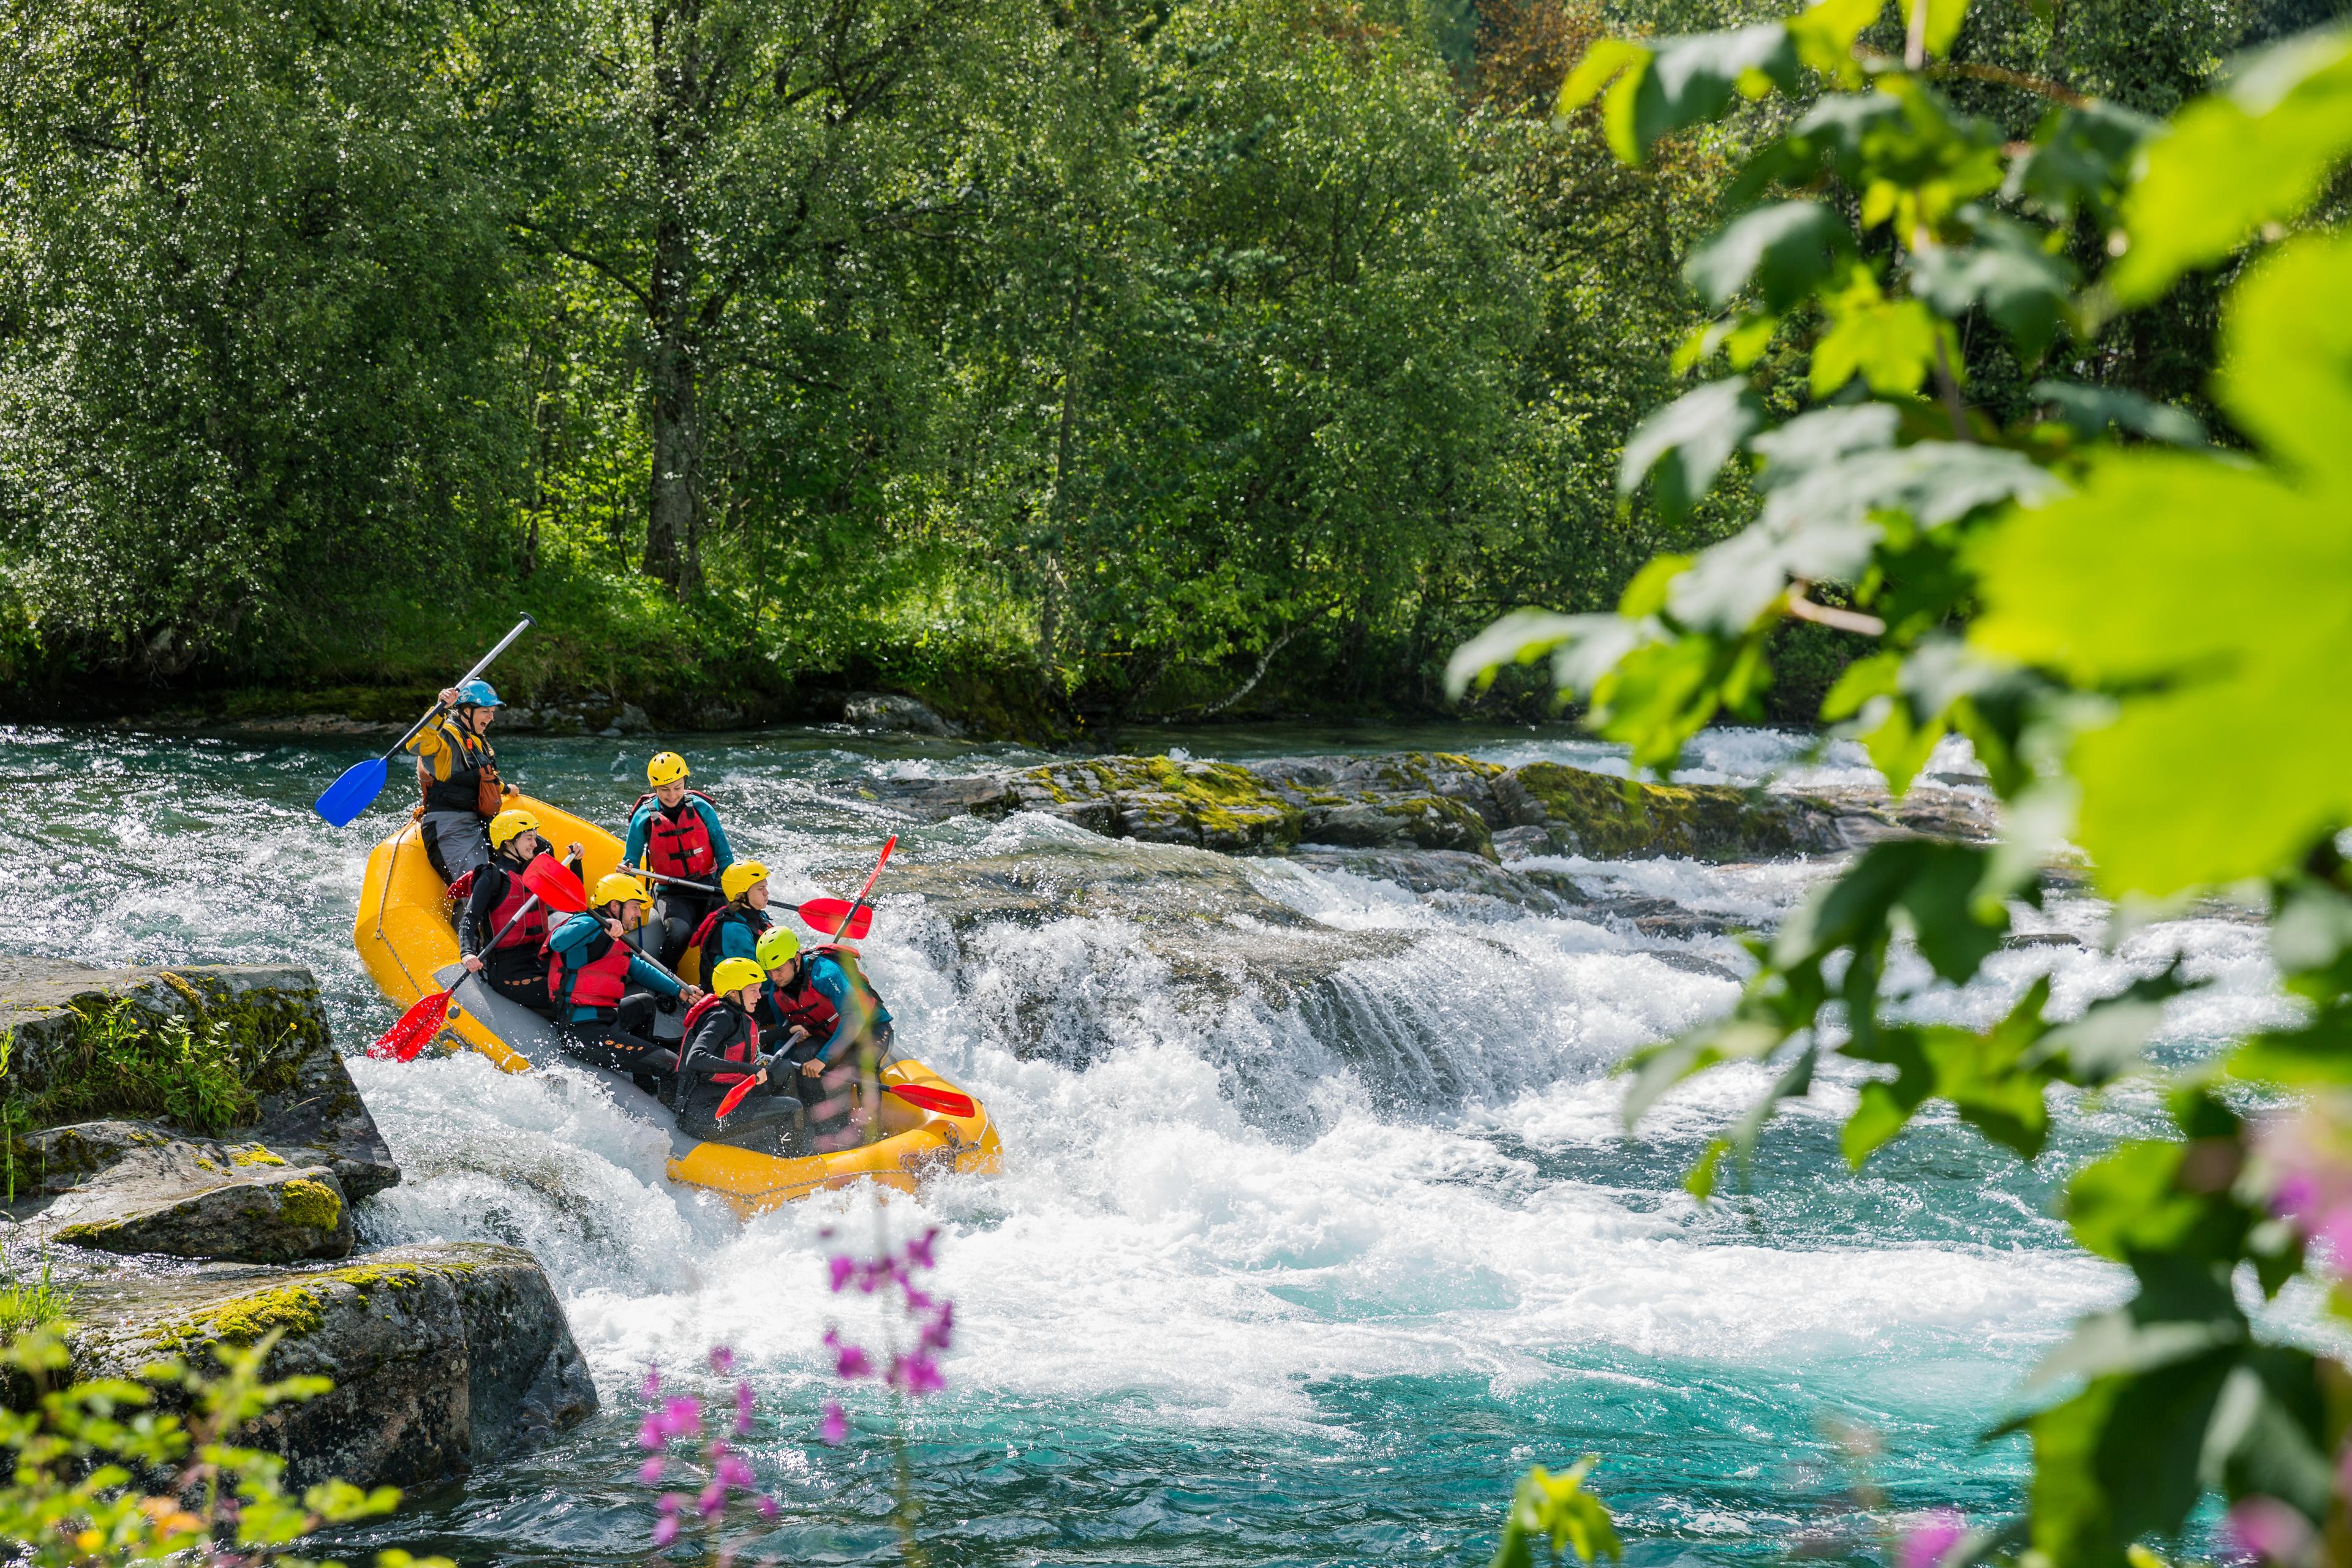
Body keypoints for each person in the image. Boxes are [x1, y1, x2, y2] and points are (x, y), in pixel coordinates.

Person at [545, 872, 703, 1092]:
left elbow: (640, 969)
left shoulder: (616, 939)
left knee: (646, 1003)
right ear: (614, 905)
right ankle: (678, 1118)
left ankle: (644, 1084)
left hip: (608, 1020)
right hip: (583, 1034)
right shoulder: (587, 923)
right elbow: (558, 941)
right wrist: (600, 924)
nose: (638, 914)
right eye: (634, 907)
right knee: (672, 1064)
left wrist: (680, 991)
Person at [755, 925, 894, 1137]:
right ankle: (823, 1128)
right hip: (830, 1035)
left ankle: (871, 1131)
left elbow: (854, 1017)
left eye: (779, 969)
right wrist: (774, 1067)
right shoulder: (777, 995)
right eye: (770, 972)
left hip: (871, 1030)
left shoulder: (825, 974)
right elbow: (785, 1037)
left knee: (863, 1062)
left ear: (796, 959)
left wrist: (822, 1059)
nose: (775, 977)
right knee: (802, 1060)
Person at [455, 808, 582, 1018]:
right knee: (573, 994)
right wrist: (467, 953)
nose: (535, 844)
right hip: (509, 971)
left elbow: (574, 903)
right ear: (508, 842)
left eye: (535, 838)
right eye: (529, 838)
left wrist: (576, 862)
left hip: (541, 959)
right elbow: (471, 917)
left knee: (585, 984)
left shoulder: (535, 873)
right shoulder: (492, 875)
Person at [671, 957, 804, 1152]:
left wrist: (787, 1031)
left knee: (784, 1068)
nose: (759, 996)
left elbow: (749, 1039)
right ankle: (792, 1156)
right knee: (792, 1108)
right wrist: (747, 1068)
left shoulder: (733, 1013)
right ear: (733, 993)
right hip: (705, 1114)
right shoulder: (720, 1018)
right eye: (753, 991)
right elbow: (696, 1057)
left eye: (759, 989)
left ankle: (783, 1131)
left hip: (727, 1094)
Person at [623, 752, 734, 967]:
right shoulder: (644, 818)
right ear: (654, 788)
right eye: (665, 790)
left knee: (726, 928)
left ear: (685, 782)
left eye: (677, 787)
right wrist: (627, 871)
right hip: (672, 892)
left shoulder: (702, 809)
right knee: (678, 933)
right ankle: (668, 981)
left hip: (710, 886)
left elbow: (724, 854)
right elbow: (631, 860)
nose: (672, 795)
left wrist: (732, 888)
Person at [408, 678, 507, 881]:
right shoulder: (446, 736)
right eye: (486, 711)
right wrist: (440, 709)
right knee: (477, 886)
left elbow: (479, 778)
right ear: (466, 711)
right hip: (451, 827)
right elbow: (418, 746)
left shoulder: (475, 738)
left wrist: (505, 790)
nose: (491, 718)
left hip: (476, 823)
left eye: (492, 712)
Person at [685, 861, 778, 1020]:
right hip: (733, 1003)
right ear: (741, 895)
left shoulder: (756, 915)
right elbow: (755, 977)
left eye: (766, 887)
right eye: (760, 889)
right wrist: (787, 977)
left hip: (750, 993)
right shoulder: (734, 930)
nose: (766, 893)